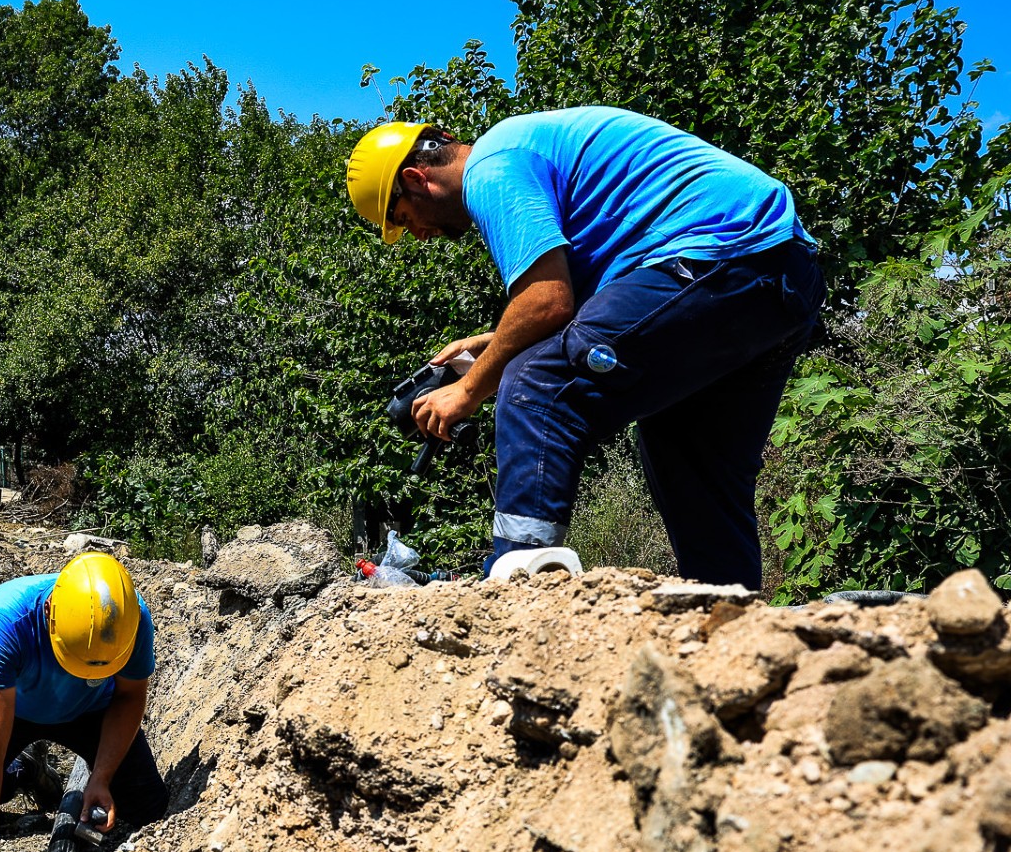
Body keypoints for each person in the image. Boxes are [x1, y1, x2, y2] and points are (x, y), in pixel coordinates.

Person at [345, 106, 825, 590]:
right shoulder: (528, 148)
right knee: (691, 463)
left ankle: (518, 581)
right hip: (777, 275)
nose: (420, 235)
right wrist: (494, 343)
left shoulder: (491, 166)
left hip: (720, 253)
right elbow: (594, 312)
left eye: (407, 220)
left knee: (537, 382)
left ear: (415, 178)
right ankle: (732, 618)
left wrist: (468, 389)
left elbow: (546, 304)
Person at [0, 551, 168, 852]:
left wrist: (101, 777)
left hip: (91, 712)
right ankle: (26, 769)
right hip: (13, 710)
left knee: (151, 809)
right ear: (50, 611)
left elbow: (128, 697)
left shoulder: (130, 620)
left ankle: (70, 774)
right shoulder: (6, 618)